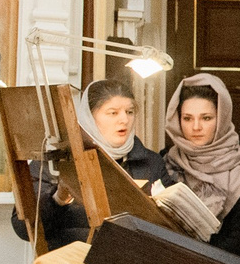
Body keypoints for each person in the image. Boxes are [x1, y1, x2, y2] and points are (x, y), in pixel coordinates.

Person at [10, 79, 174, 250]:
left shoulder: (152, 162)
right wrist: (57, 199)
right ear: (89, 117)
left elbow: (171, 227)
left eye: (130, 111)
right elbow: (23, 228)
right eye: (113, 113)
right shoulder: (55, 161)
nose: (124, 120)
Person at [162, 72, 240, 261]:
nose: (196, 127)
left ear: (221, 119)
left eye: (206, 118)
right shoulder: (166, 162)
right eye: (187, 118)